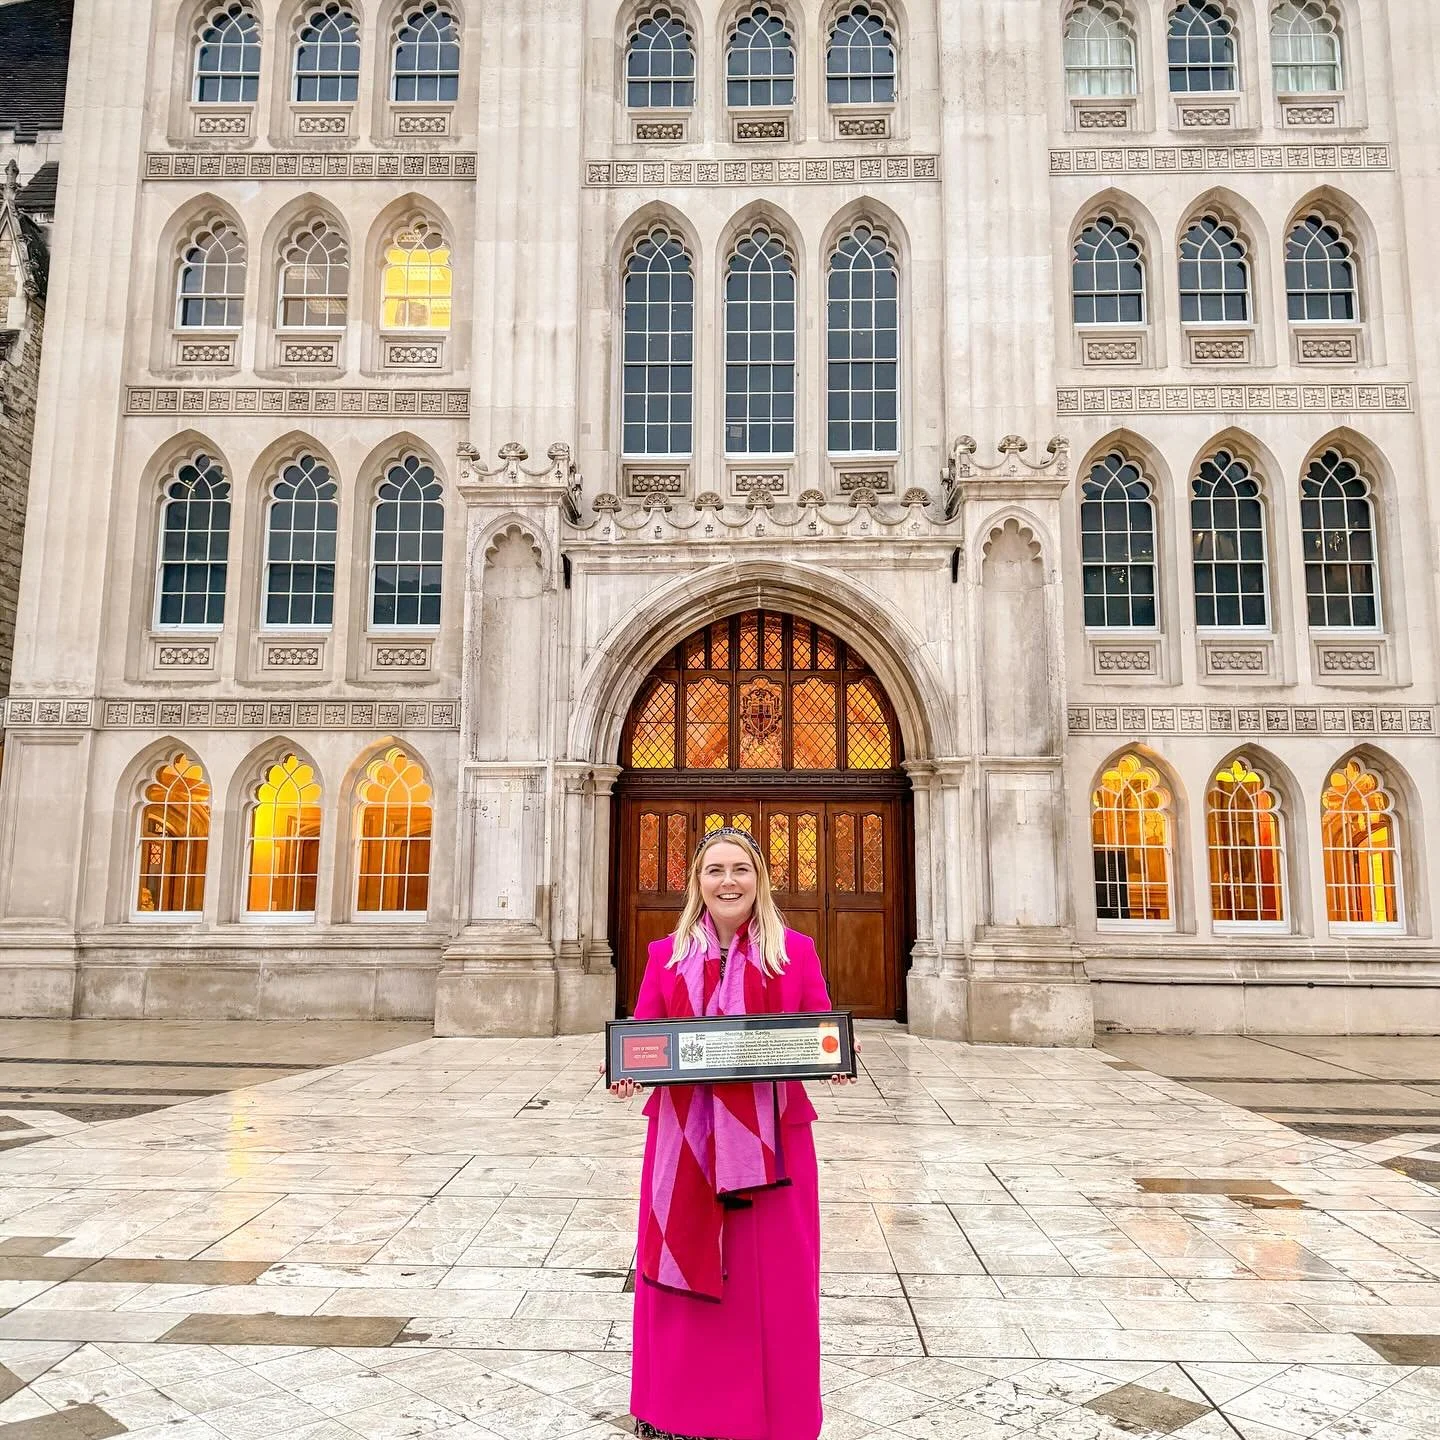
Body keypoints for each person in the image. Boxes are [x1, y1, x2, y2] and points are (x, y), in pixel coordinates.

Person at [604, 826, 858, 1440]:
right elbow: (645, 1029)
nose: (728, 881)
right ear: (698, 882)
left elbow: (818, 1024)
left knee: (775, 1278)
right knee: (682, 1263)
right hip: (685, 1142)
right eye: (715, 870)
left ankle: (776, 1418)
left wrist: (834, 1057)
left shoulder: (794, 951)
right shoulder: (665, 954)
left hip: (772, 1145)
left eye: (740, 869)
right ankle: (675, 1411)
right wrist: (627, 1070)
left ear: (758, 879)